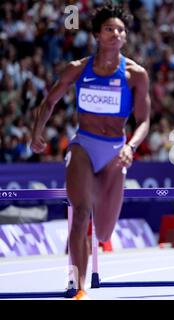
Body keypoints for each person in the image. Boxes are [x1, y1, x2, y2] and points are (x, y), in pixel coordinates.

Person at [30, 3, 151, 299]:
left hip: (115, 151)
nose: (116, 34)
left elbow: (145, 120)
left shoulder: (136, 74)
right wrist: (37, 133)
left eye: (120, 30)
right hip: (84, 143)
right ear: (97, 34)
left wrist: (131, 147)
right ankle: (77, 283)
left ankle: (85, 265)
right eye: (109, 29)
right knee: (81, 212)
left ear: (126, 36)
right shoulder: (77, 69)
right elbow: (49, 102)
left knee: (105, 232)